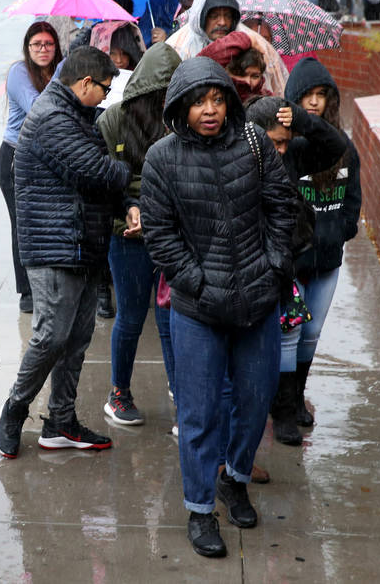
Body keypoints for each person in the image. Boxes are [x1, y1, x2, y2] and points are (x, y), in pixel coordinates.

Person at [140, 58, 295, 558]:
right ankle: (200, 508)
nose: (210, 110)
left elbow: (281, 204)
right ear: (181, 107)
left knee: (254, 403)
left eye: (217, 99)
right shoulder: (162, 158)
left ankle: (236, 477)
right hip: (198, 308)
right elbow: (160, 237)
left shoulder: (252, 143)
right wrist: (197, 282)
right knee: (201, 413)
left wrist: (273, 265)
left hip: (257, 298)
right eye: (198, 102)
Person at [0, 46, 132, 459]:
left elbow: (97, 182)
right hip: (54, 246)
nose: (106, 98)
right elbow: (100, 171)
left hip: (81, 243)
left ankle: (60, 421)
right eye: (104, 89)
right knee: (51, 335)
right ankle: (15, 408)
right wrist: (131, 172)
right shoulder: (53, 117)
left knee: (76, 338)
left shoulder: (76, 114)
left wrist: (126, 204)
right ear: (85, 83)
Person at [271, 58, 360, 443]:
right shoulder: (291, 148)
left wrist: (342, 230)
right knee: (289, 335)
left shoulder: (340, 148)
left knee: (312, 333)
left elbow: (353, 196)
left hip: (327, 257)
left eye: (321, 95)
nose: (313, 102)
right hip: (294, 260)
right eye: (306, 95)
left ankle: (297, 398)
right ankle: (284, 411)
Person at [96, 42, 182, 426]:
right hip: (125, 235)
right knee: (130, 317)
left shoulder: (183, 121)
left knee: (169, 320)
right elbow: (104, 181)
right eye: (159, 95)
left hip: (169, 236)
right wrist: (131, 214)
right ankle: (119, 393)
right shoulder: (114, 119)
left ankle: (182, 389)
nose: (165, 102)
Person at [1, 22, 60, 315]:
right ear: (27, 47)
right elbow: (38, 108)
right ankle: (26, 290)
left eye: (48, 44)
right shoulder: (18, 72)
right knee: (21, 223)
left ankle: (46, 282)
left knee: (46, 224)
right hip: (15, 155)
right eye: (36, 44)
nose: (43, 49)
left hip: (49, 158)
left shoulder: (61, 69)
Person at [198, 31, 269, 102]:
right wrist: (246, 40)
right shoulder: (216, 101)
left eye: (255, 76)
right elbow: (202, 63)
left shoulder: (267, 99)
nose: (248, 82)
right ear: (226, 72)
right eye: (240, 74)